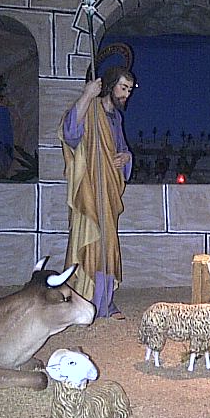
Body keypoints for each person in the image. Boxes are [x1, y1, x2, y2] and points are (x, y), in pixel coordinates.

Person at [58, 65, 135, 320]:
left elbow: (122, 149)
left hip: (109, 190)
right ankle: (85, 301)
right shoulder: (90, 109)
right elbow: (70, 134)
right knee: (90, 241)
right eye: (123, 88)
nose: (126, 94)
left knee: (108, 244)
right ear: (110, 85)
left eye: (129, 90)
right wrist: (87, 95)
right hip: (90, 188)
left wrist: (126, 157)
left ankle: (105, 303)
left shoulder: (116, 119)